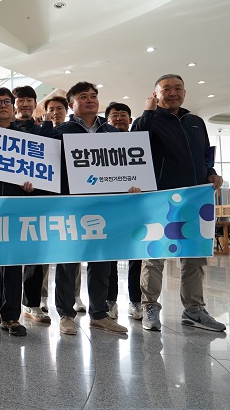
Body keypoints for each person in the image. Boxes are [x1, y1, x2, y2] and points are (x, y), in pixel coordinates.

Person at [132, 74, 226, 332]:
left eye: (178, 88)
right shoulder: (148, 120)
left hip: (195, 199)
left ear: (184, 92)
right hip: (159, 199)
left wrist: (211, 172)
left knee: (194, 256)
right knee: (154, 255)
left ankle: (194, 310)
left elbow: (205, 155)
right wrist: (148, 112)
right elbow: (135, 143)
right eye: (166, 89)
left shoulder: (195, 122)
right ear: (156, 94)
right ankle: (150, 306)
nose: (173, 92)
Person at [0, 87, 52, 337]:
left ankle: (11, 316)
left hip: (17, 208)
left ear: (13, 106)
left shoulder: (27, 139)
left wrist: (32, 185)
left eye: (7, 101)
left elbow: (40, 172)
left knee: (13, 263)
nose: (3, 106)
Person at [55, 81, 129, 336]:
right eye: (83, 96)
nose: (90, 100)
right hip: (71, 206)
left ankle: (99, 314)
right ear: (71, 104)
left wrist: (132, 184)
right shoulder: (59, 133)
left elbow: (125, 169)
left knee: (102, 261)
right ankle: (66, 314)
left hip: (105, 207)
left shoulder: (112, 133)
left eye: (93, 96)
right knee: (68, 262)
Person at [12, 86, 52, 324]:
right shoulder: (3, 130)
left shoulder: (43, 131)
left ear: (35, 103)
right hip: (10, 200)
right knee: (8, 255)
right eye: (20, 100)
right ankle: (6, 305)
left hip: (37, 200)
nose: (25, 103)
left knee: (35, 254)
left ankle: (32, 303)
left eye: (29, 99)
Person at [104, 101, 138, 320]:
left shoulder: (140, 143)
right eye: (114, 115)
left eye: (123, 114)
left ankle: (136, 301)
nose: (118, 118)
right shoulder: (100, 144)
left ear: (130, 120)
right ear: (107, 121)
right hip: (110, 206)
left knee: (137, 255)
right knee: (110, 256)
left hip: (136, 205)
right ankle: (110, 301)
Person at [38, 95, 69, 312]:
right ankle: (41, 295)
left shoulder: (71, 133)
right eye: (51, 109)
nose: (55, 113)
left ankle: (73, 296)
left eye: (59, 109)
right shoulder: (42, 131)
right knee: (43, 250)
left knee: (69, 251)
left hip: (67, 199)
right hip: (46, 199)